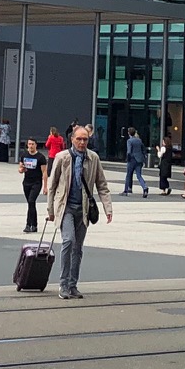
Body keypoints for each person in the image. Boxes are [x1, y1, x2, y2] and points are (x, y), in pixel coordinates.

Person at [43, 124, 112, 300]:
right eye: (79, 139)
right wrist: (51, 210)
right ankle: (63, 284)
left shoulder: (93, 158)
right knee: (68, 241)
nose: (82, 142)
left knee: (78, 248)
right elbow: (52, 185)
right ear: (72, 139)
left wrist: (108, 208)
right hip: (65, 207)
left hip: (84, 209)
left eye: (85, 139)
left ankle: (73, 285)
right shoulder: (62, 157)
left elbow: (102, 185)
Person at [18, 138, 45, 233]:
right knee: (31, 204)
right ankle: (34, 225)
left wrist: (45, 186)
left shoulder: (40, 157)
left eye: (32, 144)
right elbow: (20, 168)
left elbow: (44, 172)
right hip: (26, 182)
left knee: (31, 201)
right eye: (29, 144)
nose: (31, 146)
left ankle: (29, 224)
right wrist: (21, 170)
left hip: (36, 183)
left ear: (36, 145)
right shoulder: (24, 155)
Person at [123, 128, 149, 196]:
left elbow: (129, 151)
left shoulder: (129, 141)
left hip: (132, 159)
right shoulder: (139, 140)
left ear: (129, 133)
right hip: (139, 159)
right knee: (139, 175)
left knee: (128, 175)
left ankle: (126, 190)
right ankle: (145, 187)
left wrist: (128, 159)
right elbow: (143, 149)